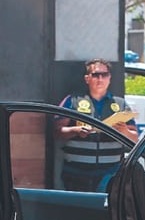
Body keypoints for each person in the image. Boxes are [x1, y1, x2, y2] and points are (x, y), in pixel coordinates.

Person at [55, 58, 138, 192]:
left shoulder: (121, 104)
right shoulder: (72, 100)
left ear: (109, 78)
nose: (100, 79)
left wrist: (124, 131)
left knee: (104, 211)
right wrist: (75, 130)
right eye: (95, 75)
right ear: (87, 78)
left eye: (104, 75)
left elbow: (134, 138)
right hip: (76, 173)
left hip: (110, 173)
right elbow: (57, 131)